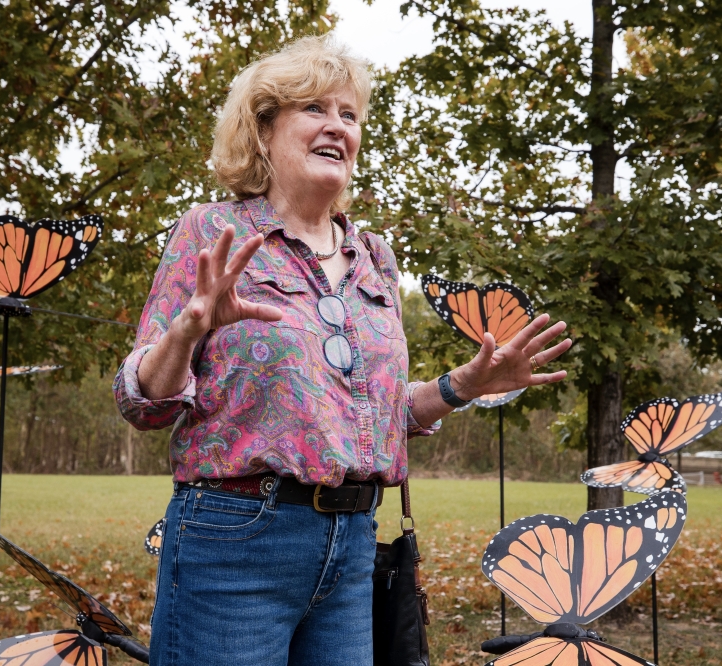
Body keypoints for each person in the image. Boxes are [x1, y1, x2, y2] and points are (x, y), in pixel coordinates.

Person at [113, 35, 572, 666]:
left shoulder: (376, 257)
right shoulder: (212, 232)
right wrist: (187, 329)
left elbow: (372, 417)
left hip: (353, 547)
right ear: (263, 129)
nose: (337, 127)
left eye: (349, 115)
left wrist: (461, 385)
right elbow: (143, 403)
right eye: (315, 110)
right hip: (235, 541)